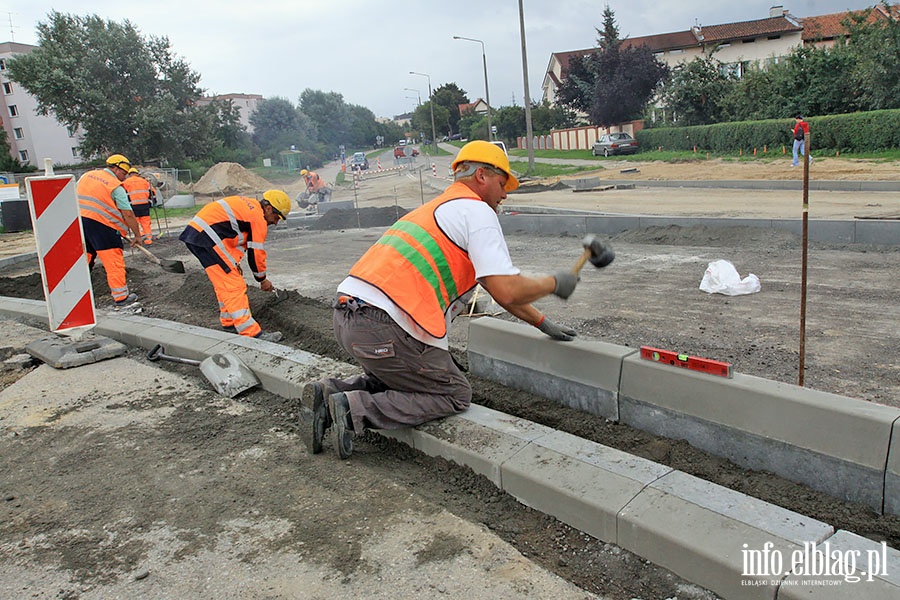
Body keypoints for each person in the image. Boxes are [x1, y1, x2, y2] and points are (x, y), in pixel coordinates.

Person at [300, 140, 580, 459]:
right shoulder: (477, 212)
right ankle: (352, 411)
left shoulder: (435, 210)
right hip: (387, 327)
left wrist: (542, 323)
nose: (504, 195)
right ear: (482, 177)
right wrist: (555, 283)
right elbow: (507, 290)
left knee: (402, 377)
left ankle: (330, 393)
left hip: (348, 318)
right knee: (453, 393)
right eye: (503, 185)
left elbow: (497, 290)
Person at [179, 190, 291, 342]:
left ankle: (229, 324)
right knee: (234, 286)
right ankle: (252, 334)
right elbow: (256, 254)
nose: (275, 222)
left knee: (225, 282)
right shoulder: (257, 218)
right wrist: (262, 280)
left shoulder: (250, 207)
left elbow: (231, 235)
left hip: (199, 236)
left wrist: (233, 264)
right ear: (269, 208)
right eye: (276, 217)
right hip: (207, 239)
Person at [77, 153, 143, 307]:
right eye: (123, 173)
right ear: (115, 168)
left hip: (80, 223)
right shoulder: (115, 185)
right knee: (114, 262)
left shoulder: (87, 176)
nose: (124, 177)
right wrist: (137, 235)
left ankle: (77, 293)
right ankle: (121, 297)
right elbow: (127, 213)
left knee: (84, 259)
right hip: (104, 228)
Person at [121, 167, 155, 245]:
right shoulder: (144, 181)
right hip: (145, 205)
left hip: (133, 206)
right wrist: (152, 202)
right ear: (137, 174)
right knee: (145, 222)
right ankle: (148, 239)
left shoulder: (126, 182)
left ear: (129, 174)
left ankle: (138, 236)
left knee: (135, 222)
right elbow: (152, 192)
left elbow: (122, 194)